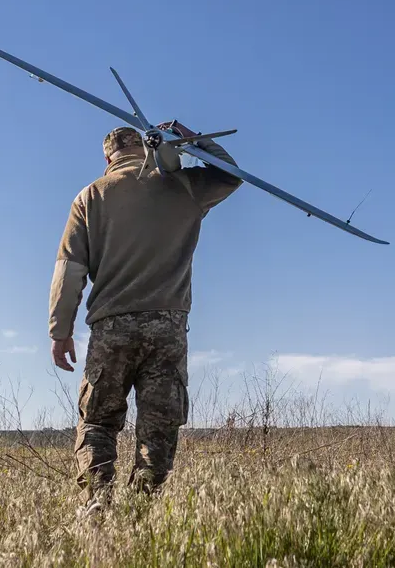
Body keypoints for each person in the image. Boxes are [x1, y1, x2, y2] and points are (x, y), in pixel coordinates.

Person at [48, 121, 242, 512]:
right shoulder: (183, 186)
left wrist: (60, 330)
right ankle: (140, 514)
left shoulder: (90, 197)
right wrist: (193, 139)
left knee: (98, 423)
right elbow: (231, 176)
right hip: (167, 328)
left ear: (108, 156)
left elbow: (69, 270)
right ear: (145, 146)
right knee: (158, 428)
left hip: (111, 327)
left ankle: (96, 506)